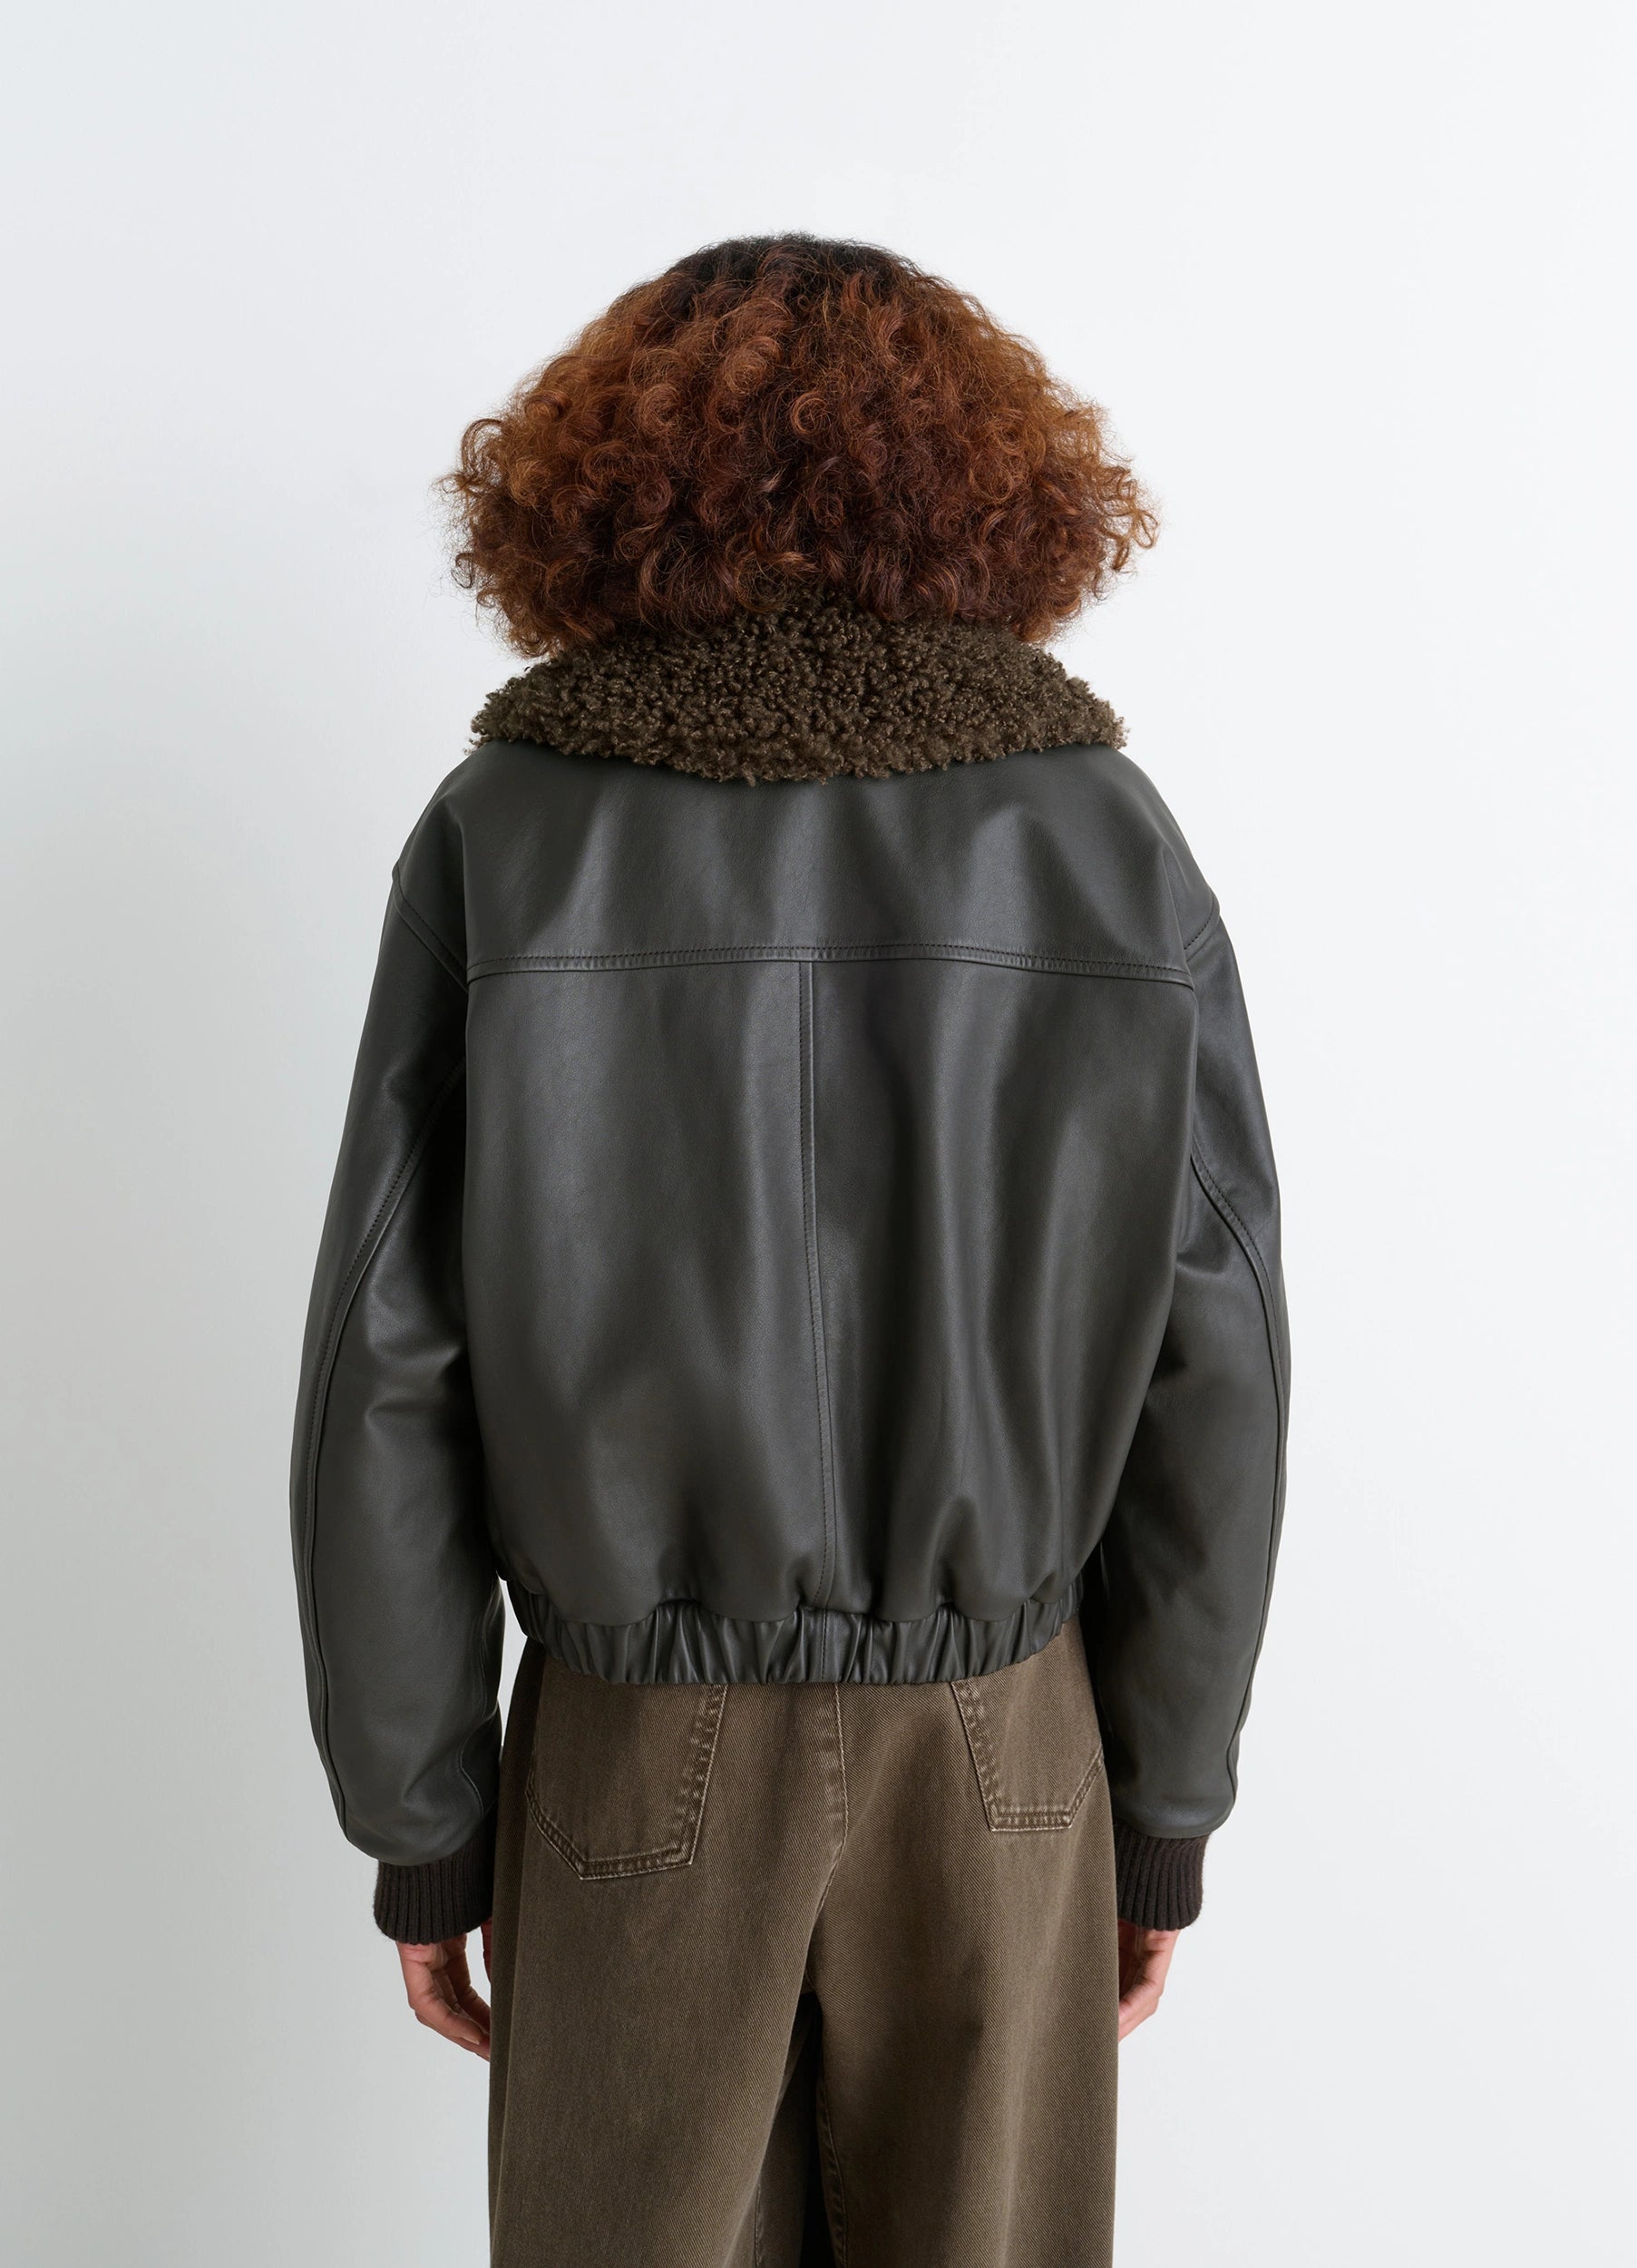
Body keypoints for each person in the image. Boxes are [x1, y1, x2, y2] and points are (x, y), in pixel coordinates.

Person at [290, 233, 1289, 2268]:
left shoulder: (513, 827)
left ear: (606, 488)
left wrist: (424, 1826)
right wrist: (1165, 1797)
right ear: (982, 489)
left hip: (632, 1747)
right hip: (1004, 1745)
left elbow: (390, 1356)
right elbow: (1222, 1355)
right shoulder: (1102, 836)